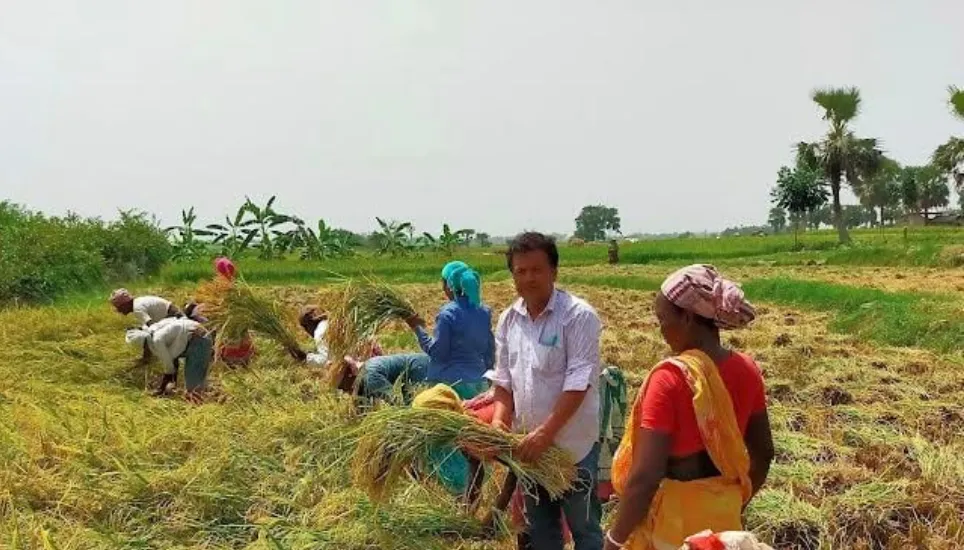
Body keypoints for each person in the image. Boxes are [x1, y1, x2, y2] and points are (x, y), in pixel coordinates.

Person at [604, 265, 775, 550]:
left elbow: (645, 479)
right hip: (724, 521)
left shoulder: (669, 379)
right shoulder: (747, 370)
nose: (661, 331)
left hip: (674, 526)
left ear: (686, 317)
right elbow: (764, 452)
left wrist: (613, 540)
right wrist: (734, 501)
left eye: (662, 319)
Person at [488, 232, 604, 550]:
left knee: (585, 530)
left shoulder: (578, 316)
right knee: (542, 531)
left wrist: (545, 434)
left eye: (536, 269)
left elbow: (578, 383)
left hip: (571, 449)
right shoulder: (509, 320)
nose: (529, 278)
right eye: (521, 271)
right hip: (528, 450)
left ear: (554, 271)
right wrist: (500, 422)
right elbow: (503, 382)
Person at [125, 317, 214, 401]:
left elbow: (169, 367)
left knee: (194, 385)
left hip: (198, 339)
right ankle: (208, 395)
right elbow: (173, 361)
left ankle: (199, 407)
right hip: (194, 336)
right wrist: (169, 382)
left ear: (145, 344)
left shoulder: (157, 341)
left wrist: (163, 386)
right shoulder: (153, 330)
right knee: (196, 381)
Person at [109, 289, 180, 327]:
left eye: (119, 307)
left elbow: (152, 327)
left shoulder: (137, 309)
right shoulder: (138, 302)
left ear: (125, 304)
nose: (119, 310)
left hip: (174, 317)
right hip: (175, 315)